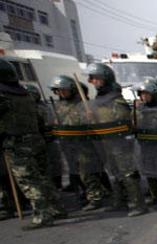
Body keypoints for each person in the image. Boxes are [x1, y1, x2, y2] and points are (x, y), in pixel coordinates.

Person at [0, 58, 65, 229]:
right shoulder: (25, 94)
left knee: (29, 181)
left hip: (16, 143)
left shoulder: (3, 97)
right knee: (43, 177)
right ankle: (57, 208)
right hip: (36, 139)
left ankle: (43, 215)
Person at [86, 62, 148, 217]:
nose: (93, 81)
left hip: (120, 143)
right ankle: (119, 201)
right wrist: (92, 118)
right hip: (106, 142)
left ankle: (138, 204)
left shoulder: (115, 99)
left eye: (96, 78)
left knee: (128, 173)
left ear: (105, 78)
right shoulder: (99, 99)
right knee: (114, 173)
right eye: (92, 78)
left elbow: (122, 120)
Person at [50, 75, 106, 210]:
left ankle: (95, 197)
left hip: (84, 144)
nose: (61, 93)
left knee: (88, 172)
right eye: (58, 91)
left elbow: (96, 123)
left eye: (64, 90)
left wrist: (91, 117)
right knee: (76, 172)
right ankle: (86, 194)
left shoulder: (83, 105)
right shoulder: (59, 106)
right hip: (68, 144)